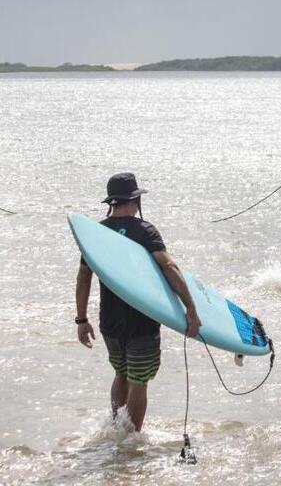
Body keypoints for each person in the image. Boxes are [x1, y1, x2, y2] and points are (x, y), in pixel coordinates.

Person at [74, 172, 202, 431]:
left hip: (109, 321)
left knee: (121, 373)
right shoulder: (145, 230)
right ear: (134, 200)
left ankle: (115, 430)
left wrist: (81, 319)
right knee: (139, 380)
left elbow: (84, 275)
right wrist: (191, 308)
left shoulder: (97, 232)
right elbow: (169, 267)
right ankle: (130, 442)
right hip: (141, 321)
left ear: (112, 201)